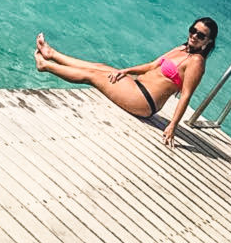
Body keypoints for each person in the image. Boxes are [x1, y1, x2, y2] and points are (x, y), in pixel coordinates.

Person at [34, 18, 218, 147]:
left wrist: (172, 126)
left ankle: (45, 65)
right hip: (137, 86)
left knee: (92, 75)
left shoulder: (196, 62)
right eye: (193, 30)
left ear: (208, 41)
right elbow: (151, 65)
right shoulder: (182, 48)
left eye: (201, 35)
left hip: (144, 101)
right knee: (100, 66)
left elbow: (186, 95)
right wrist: (127, 71)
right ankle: (52, 54)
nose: (194, 36)